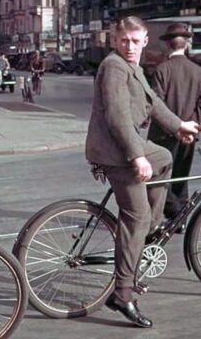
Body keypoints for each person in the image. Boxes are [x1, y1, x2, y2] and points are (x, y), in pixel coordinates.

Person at [85, 16, 199, 328]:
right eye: (124, 41)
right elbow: (118, 118)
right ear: (114, 41)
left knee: (162, 157)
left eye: (136, 41)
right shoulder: (114, 66)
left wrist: (179, 127)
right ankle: (122, 293)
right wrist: (137, 157)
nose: (130, 46)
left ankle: (150, 224)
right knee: (136, 217)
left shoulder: (133, 67)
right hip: (116, 151)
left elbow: (154, 103)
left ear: (146, 40)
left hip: (127, 146)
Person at [148, 23, 201, 233]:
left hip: (163, 134)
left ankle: (175, 213)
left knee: (161, 177)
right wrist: (194, 127)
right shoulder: (197, 71)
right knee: (182, 175)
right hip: (190, 132)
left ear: (168, 46)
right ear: (186, 44)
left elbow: (155, 103)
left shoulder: (162, 69)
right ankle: (181, 218)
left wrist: (173, 126)